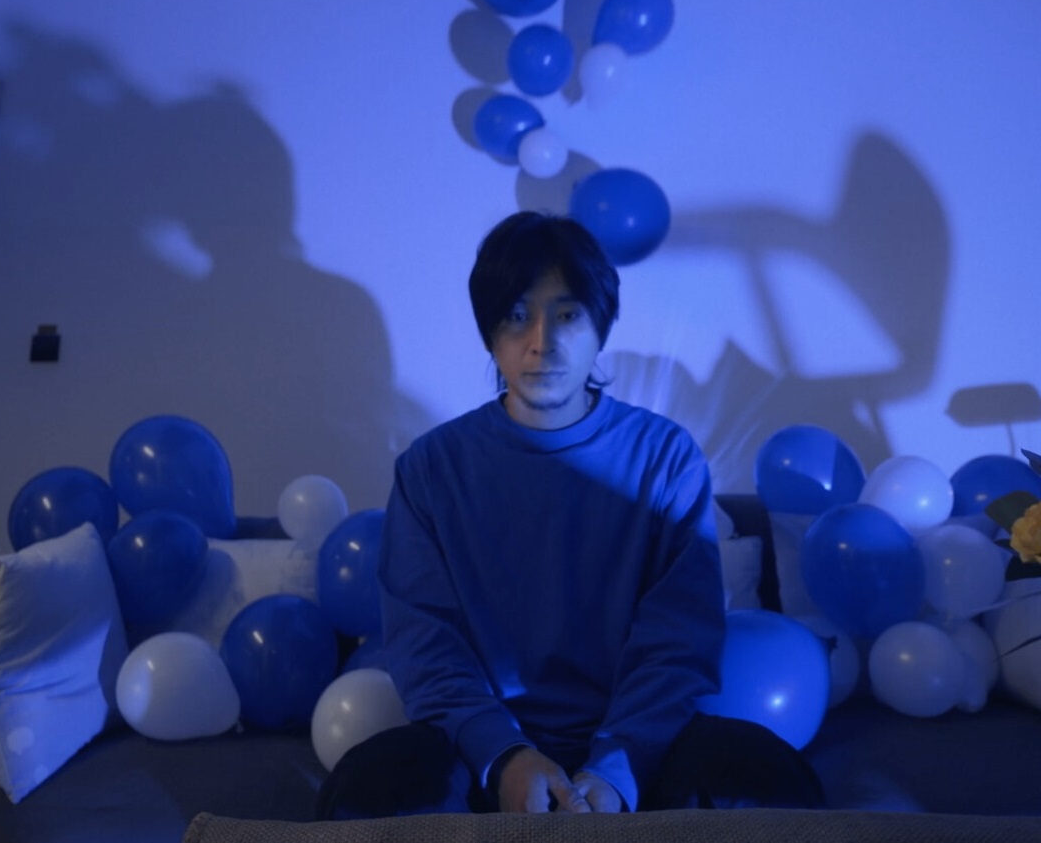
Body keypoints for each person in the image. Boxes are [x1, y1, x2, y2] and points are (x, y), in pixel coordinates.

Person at [316, 211, 823, 818]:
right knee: (372, 789)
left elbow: (678, 641)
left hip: (640, 746)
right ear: (489, 332)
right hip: (478, 748)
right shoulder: (431, 469)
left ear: (599, 324)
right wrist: (505, 755)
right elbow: (426, 644)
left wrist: (614, 770)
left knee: (764, 782)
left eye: (567, 314)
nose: (542, 343)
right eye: (516, 315)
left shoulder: (665, 457)